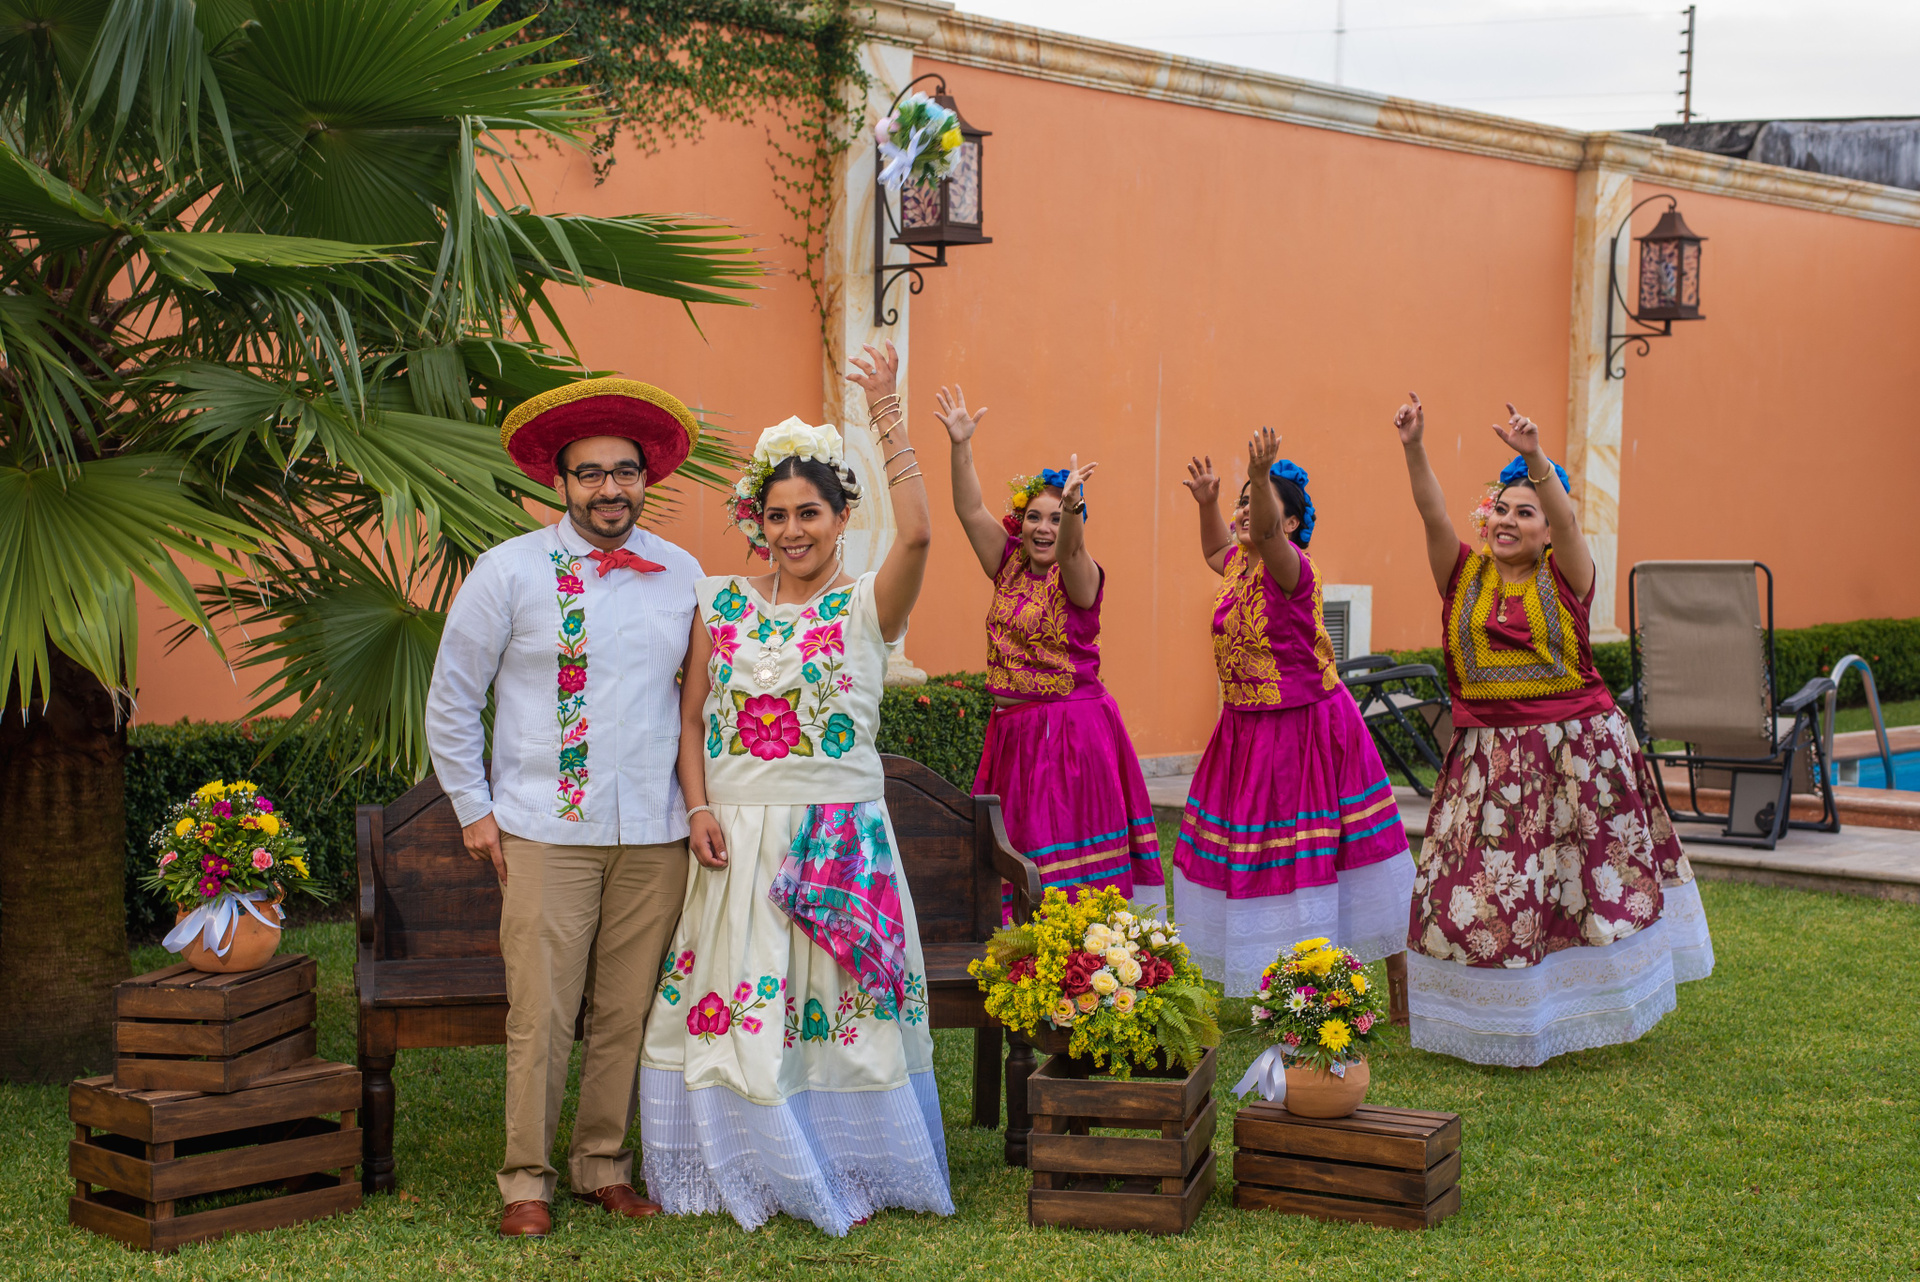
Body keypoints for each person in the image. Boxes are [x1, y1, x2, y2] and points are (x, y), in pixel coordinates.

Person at [638, 342, 952, 1235]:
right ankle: (740, 1159)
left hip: (838, 839)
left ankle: (848, 1160)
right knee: (738, 1002)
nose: (791, 531)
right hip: (736, 842)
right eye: (775, 515)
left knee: (834, 1013)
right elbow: (690, 719)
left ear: (842, 516)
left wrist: (887, 416)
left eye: (809, 512)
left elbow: (920, 535)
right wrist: (699, 806)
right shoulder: (719, 603)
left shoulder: (867, 608)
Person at [424, 377, 705, 1239]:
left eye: (625, 472)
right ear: (561, 482)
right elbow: (452, 696)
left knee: (626, 1010)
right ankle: (525, 1181)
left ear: (646, 479)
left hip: (654, 833)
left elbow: (702, 706)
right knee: (541, 1013)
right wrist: (473, 807)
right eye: (591, 474)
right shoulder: (508, 571)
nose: (609, 489)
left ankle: (602, 1166)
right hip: (545, 828)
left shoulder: (685, 575)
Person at [1391, 392, 1714, 1067]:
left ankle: (1576, 1011)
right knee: (1481, 890)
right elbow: (1430, 512)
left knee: (1580, 889)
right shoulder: (1462, 574)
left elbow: (1567, 519)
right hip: (1487, 761)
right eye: (1500, 509)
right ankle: (1495, 1018)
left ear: (1546, 531)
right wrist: (1414, 447)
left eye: (1525, 512)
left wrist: (1536, 457)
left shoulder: (1568, 576)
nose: (1507, 520)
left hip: (1577, 755)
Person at [1171, 428, 1416, 997]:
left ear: (1288, 524)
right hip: (1245, 728)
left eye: (1254, 503)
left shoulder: (1292, 569)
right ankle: (1276, 973)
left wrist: (1259, 477)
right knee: (1256, 852)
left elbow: (1261, 532)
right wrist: (1209, 504)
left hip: (1305, 728)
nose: (1243, 511)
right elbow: (1212, 551)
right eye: (1241, 502)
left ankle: (1395, 983)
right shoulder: (1238, 564)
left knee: (1348, 855)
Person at [932, 385, 1161, 913]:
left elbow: (1074, 548)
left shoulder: (1080, 574)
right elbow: (969, 510)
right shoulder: (1008, 561)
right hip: (1013, 735)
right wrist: (961, 445)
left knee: (1062, 868)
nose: (1044, 528)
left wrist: (1073, 506)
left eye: (1056, 519)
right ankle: (1025, 955)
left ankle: (1076, 953)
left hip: (1069, 735)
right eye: (1036, 516)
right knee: (1015, 857)